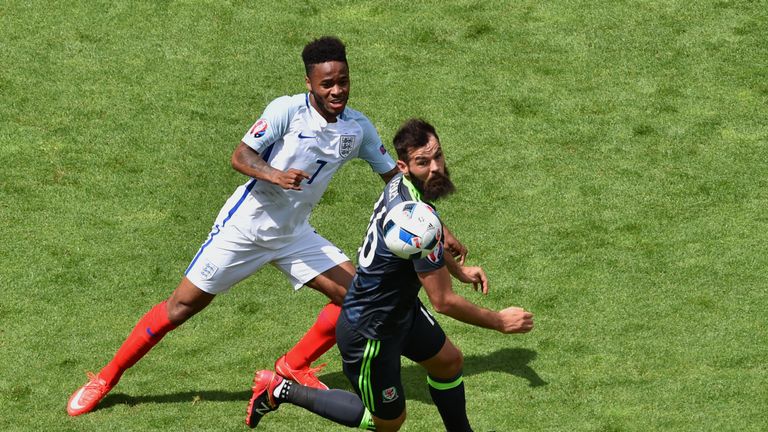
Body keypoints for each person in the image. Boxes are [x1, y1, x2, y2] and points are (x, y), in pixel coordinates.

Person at [67, 37, 468, 417]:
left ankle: (292, 366)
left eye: (343, 81)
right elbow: (241, 156)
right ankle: (106, 377)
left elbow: (396, 181)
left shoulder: (357, 128)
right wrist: (276, 175)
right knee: (180, 307)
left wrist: (439, 228)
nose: (337, 91)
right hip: (245, 230)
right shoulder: (286, 111)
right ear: (309, 83)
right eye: (327, 84)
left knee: (356, 301)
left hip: (295, 234)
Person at [245, 118, 534, 431]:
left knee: (448, 362)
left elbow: (427, 230)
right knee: (388, 423)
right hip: (372, 331)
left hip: (400, 309)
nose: (435, 167)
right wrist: (500, 321)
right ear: (404, 166)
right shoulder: (414, 221)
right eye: (423, 162)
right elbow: (443, 301)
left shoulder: (401, 187)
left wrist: (458, 269)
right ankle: (280, 389)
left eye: (438, 156)